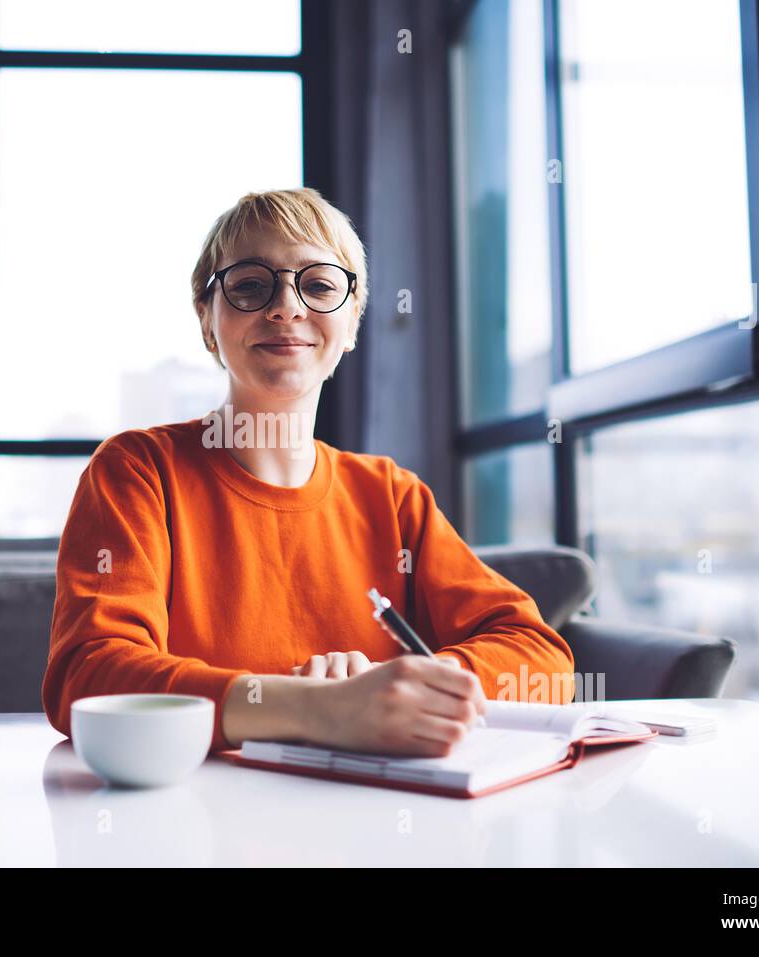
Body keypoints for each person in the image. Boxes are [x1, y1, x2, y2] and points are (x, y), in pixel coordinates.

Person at [42, 187, 575, 757]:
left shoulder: (392, 496)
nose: (286, 307)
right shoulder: (137, 472)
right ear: (206, 320)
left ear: (351, 326)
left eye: (319, 286)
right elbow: (90, 677)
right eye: (250, 285)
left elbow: (542, 659)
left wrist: (396, 688)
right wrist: (321, 709)